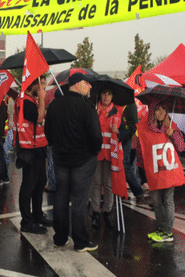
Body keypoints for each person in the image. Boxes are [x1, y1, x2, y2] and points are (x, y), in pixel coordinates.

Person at [45, 73, 102, 252]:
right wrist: (93, 152)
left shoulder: (54, 105)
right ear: (78, 85)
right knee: (79, 201)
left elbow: (48, 133)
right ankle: (80, 241)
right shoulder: (87, 107)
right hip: (83, 161)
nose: (90, 87)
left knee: (61, 198)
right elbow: (96, 137)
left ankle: (60, 237)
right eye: (87, 84)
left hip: (61, 159)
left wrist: (58, 147)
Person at [137, 102, 185, 243]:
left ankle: (168, 232)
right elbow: (142, 149)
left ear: (166, 112)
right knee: (157, 202)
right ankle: (162, 227)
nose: (160, 113)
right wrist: (142, 171)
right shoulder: (146, 128)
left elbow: (181, 147)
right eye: (157, 110)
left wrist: (174, 135)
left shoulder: (172, 127)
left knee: (168, 201)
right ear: (153, 112)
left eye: (163, 110)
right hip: (153, 172)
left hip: (168, 171)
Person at [16, 76, 52, 234]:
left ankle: (37, 214)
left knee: (40, 182)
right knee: (29, 185)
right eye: (41, 84)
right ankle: (26, 221)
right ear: (34, 85)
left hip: (39, 147)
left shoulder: (32, 99)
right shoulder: (25, 101)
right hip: (30, 148)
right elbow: (38, 118)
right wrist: (43, 100)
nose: (43, 87)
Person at [90, 88, 119, 229]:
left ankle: (107, 212)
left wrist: (119, 132)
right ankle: (95, 213)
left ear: (112, 96)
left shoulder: (117, 112)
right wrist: (93, 119)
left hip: (111, 156)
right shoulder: (93, 110)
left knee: (108, 185)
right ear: (99, 95)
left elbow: (126, 132)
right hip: (96, 154)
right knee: (96, 184)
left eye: (109, 93)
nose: (106, 96)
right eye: (104, 93)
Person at [119, 102, 144, 203]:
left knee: (124, 165)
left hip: (124, 139)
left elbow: (133, 125)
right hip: (110, 137)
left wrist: (124, 136)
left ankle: (138, 191)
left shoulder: (128, 103)